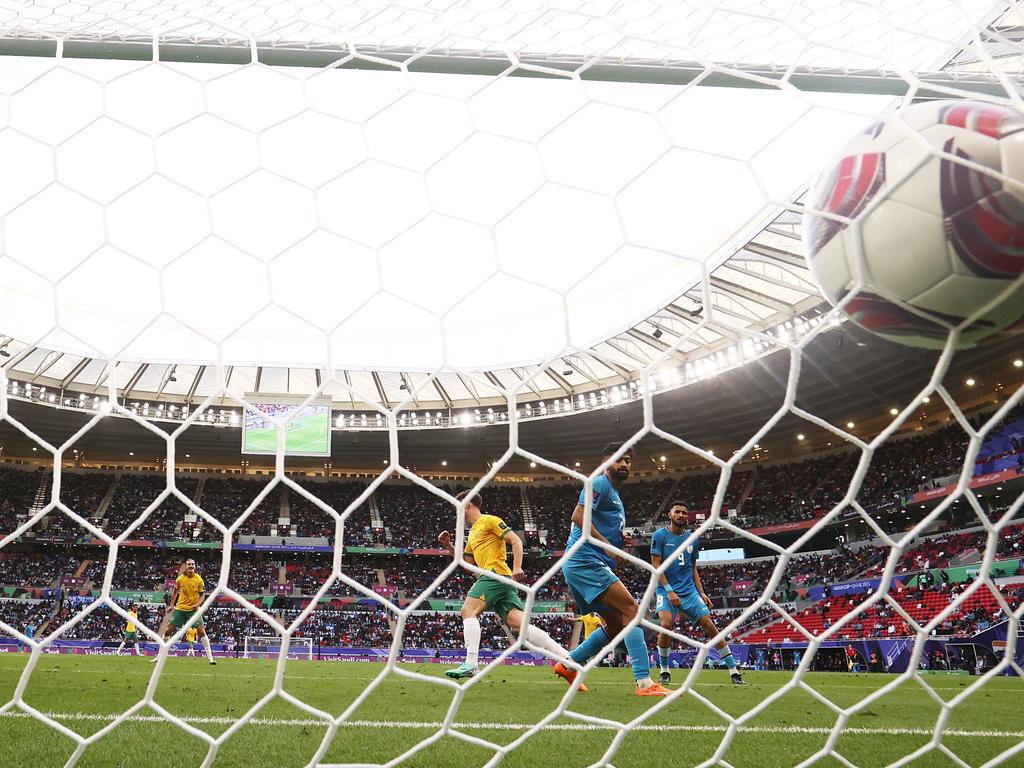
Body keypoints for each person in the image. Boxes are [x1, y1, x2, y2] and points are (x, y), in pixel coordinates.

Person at [554, 443, 669, 696]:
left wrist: (618, 541)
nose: (624, 464)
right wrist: (609, 548)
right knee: (632, 611)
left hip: (583, 563)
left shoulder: (614, 496)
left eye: (628, 460)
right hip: (585, 560)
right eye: (619, 460)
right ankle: (644, 683)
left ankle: (568, 665)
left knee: (617, 626)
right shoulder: (599, 484)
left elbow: (597, 525)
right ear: (607, 462)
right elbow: (578, 517)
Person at [438, 491, 579, 684]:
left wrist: (517, 567)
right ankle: (569, 660)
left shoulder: (489, 521)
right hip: (497, 580)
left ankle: (471, 663)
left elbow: (516, 540)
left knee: (467, 611)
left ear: (468, 504)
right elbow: (466, 563)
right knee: (521, 627)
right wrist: (448, 545)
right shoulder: (472, 533)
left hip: (495, 575)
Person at [649, 501, 743, 685]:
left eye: (684, 512)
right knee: (666, 625)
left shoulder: (693, 538)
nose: (681, 515)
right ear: (670, 515)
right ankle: (665, 671)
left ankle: (734, 672)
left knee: (709, 625)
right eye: (677, 512)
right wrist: (669, 591)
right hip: (666, 589)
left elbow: (693, 568)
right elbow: (655, 565)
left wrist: (701, 592)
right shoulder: (659, 536)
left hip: (689, 591)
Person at [151, 558, 216, 665]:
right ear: (186, 566)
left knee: (201, 631)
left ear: (195, 566)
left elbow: (202, 595)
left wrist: (197, 604)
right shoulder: (180, 579)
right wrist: (172, 605)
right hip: (180, 609)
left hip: (193, 610)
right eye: (189, 564)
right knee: (168, 630)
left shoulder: (199, 579)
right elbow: (175, 591)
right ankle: (159, 656)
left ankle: (210, 659)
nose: (191, 566)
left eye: (192, 564)